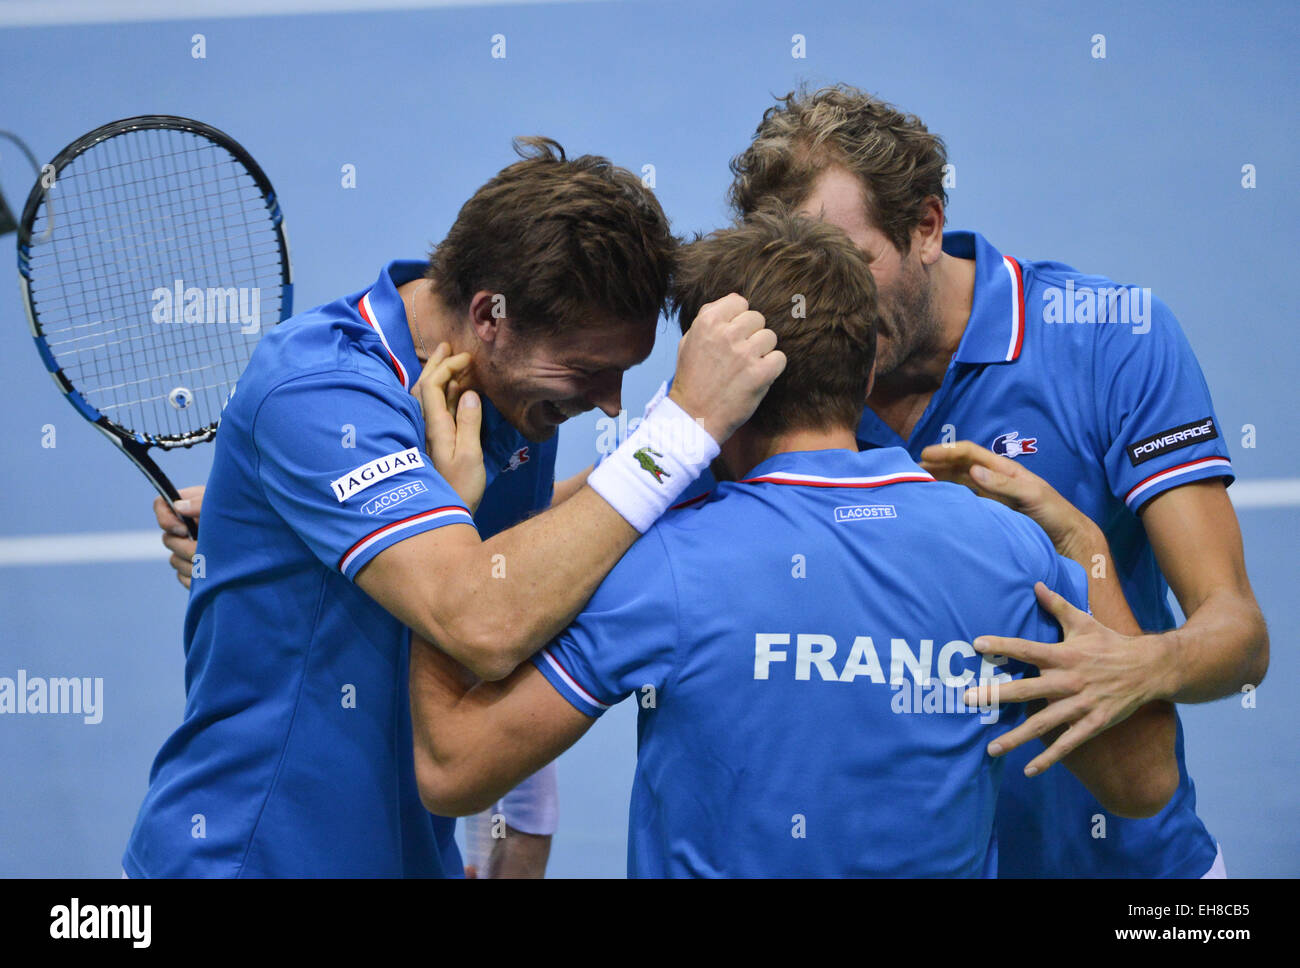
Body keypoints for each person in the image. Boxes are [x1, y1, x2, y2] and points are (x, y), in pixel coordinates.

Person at [404, 210, 1180, 876]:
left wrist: (449, 523)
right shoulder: (1011, 552)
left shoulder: (665, 565)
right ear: (868, 360)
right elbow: (1145, 783)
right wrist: (1079, 539)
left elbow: (453, 768)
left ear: (719, 385)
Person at [124, 137, 784, 877]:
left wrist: (690, 470)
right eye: (588, 371)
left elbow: (529, 558)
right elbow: (483, 620)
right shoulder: (321, 393)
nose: (608, 402)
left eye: (625, 375)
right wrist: (675, 435)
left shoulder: (505, 394)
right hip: (252, 857)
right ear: (489, 316)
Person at [724, 85, 1268, 877]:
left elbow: (1238, 634)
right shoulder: (781, 368)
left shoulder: (1112, 340)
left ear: (926, 227)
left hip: (1139, 871)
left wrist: (1143, 665)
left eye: (851, 263)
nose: (820, 304)